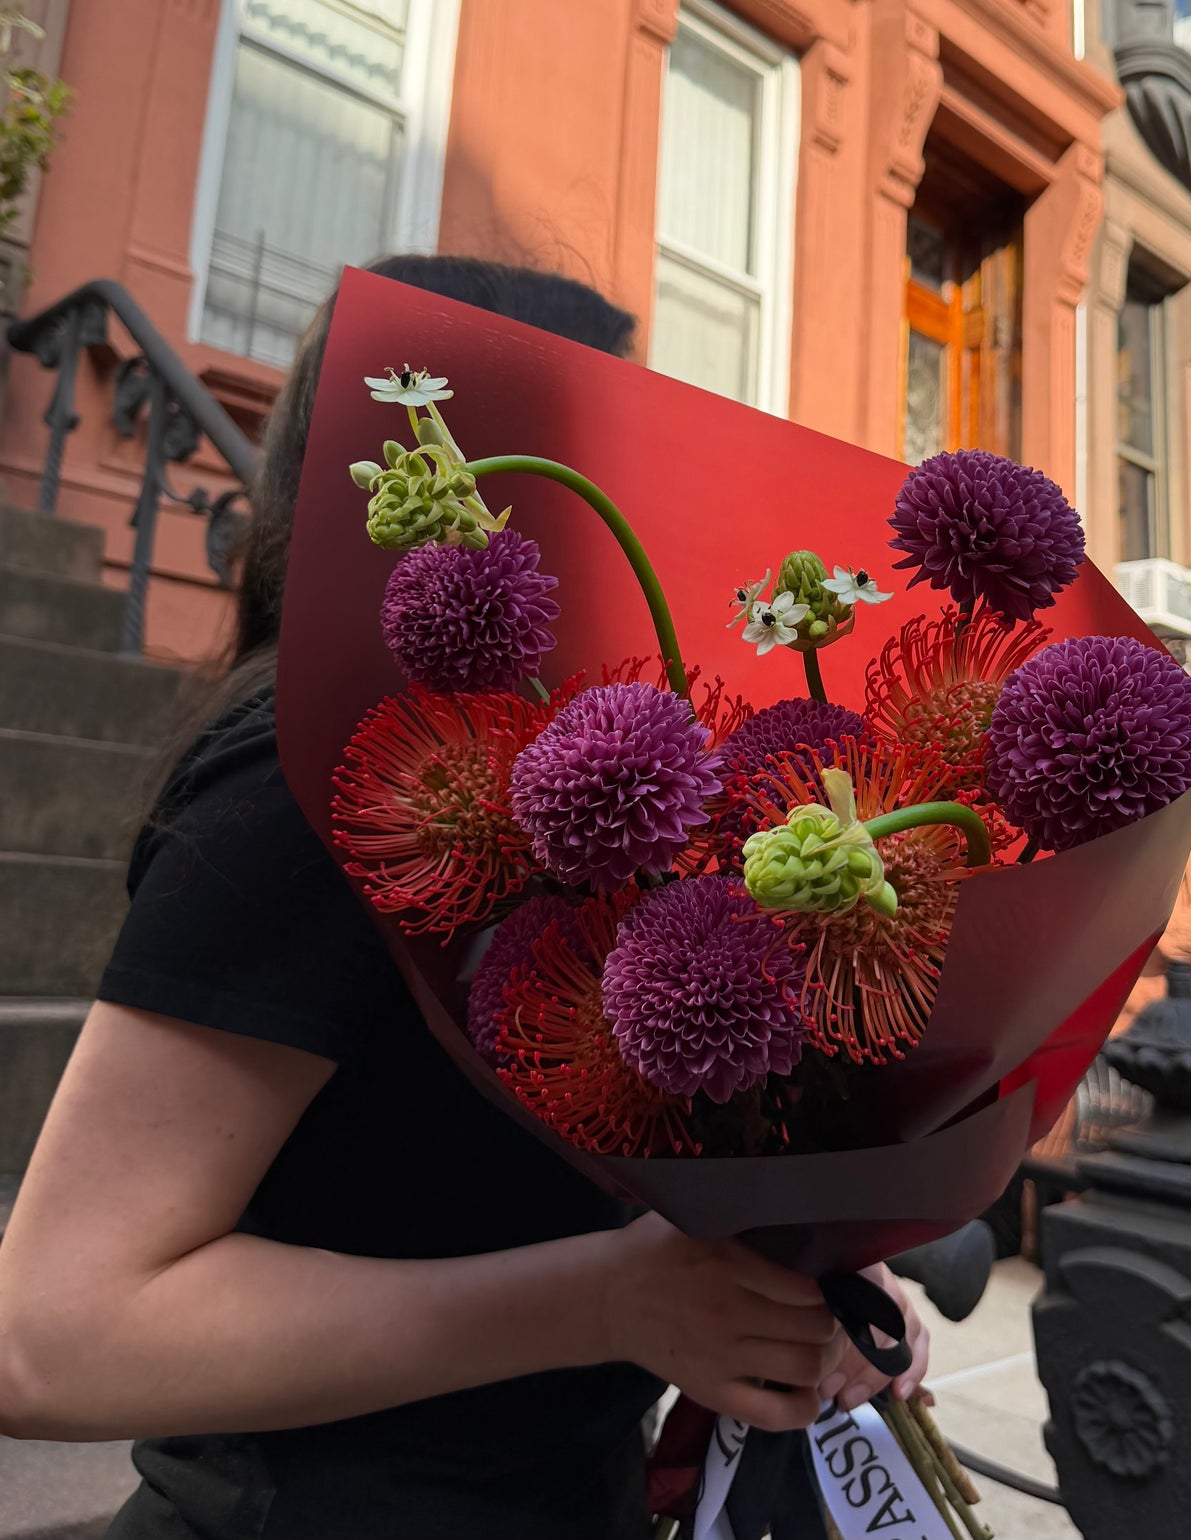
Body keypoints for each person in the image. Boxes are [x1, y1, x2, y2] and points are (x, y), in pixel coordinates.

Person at [0, 255, 927, 1540]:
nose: (643, 488)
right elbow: (54, 1332)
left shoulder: (596, 787)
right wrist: (607, 1301)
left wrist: (797, 1273)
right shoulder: (312, 780)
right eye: (602, 432)